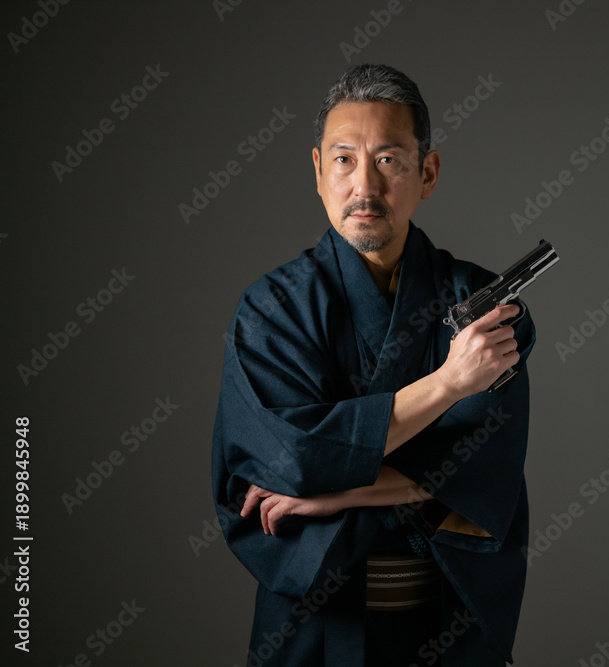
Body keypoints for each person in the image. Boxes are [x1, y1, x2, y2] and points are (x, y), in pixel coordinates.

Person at [211, 63, 536, 666]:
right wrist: (450, 383)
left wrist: (335, 494)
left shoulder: (479, 306)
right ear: (317, 171)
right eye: (344, 160)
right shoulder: (272, 308)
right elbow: (292, 461)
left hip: (447, 620)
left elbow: (486, 468)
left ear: (427, 172)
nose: (364, 185)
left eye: (388, 160)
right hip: (315, 627)